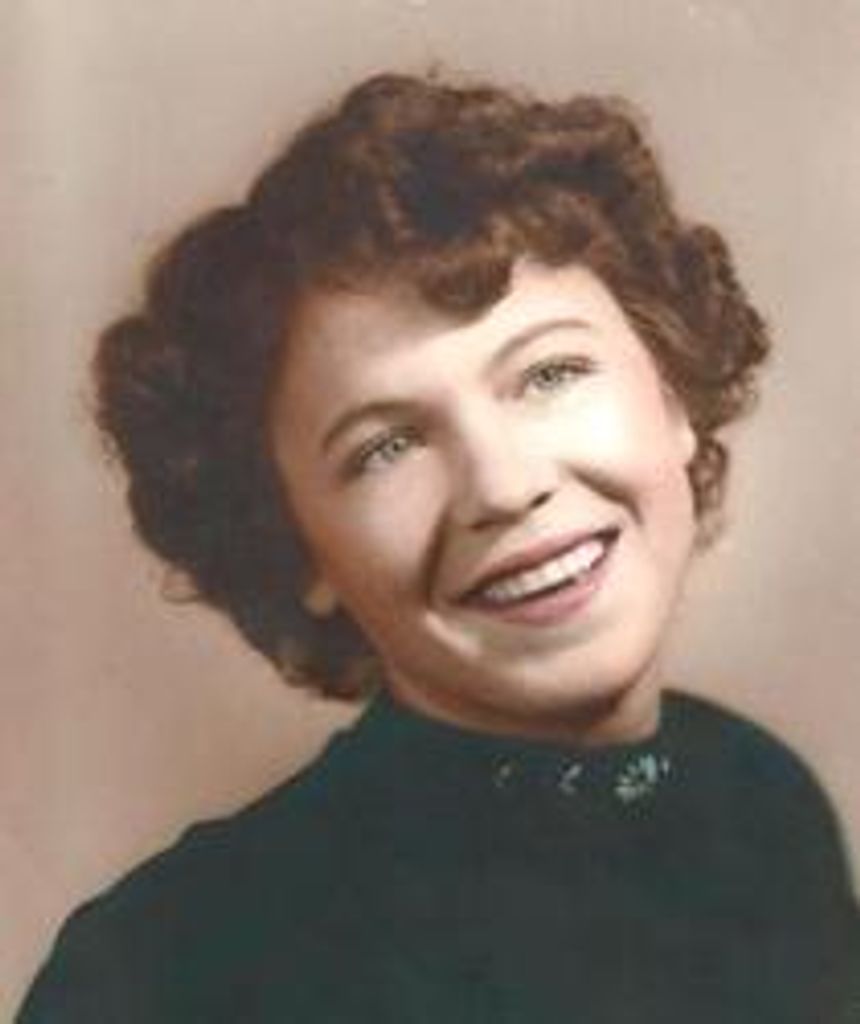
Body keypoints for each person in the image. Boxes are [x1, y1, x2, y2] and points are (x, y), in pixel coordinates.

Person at [17, 71, 859, 1022]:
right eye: (387, 447)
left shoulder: (762, 803)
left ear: (671, 401)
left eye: (550, 373)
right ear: (296, 548)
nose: (503, 485)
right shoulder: (166, 971)